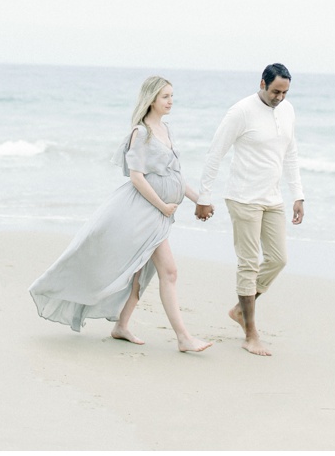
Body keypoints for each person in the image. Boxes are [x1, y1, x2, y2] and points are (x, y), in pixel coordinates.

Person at [29, 76, 212, 353]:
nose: (171, 101)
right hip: (143, 213)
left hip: (159, 216)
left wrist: (201, 200)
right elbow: (137, 178)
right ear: (151, 99)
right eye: (165, 96)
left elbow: (176, 176)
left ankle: (121, 326)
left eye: (172, 96)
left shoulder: (166, 130)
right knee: (169, 272)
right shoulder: (141, 133)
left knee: (140, 274)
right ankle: (184, 338)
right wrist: (162, 206)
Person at [195, 63, 305, 356]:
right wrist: (203, 196)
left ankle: (240, 310)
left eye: (285, 92)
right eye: (275, 91)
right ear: (262, 83)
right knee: (249, 264)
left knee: (279, 259)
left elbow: (290, 153)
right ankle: (251, 333)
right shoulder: (241, 111)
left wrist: (298, 195)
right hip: (243, 198)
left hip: (273, 199)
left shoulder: (288, 110)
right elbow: (215, 152)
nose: (280, 97)